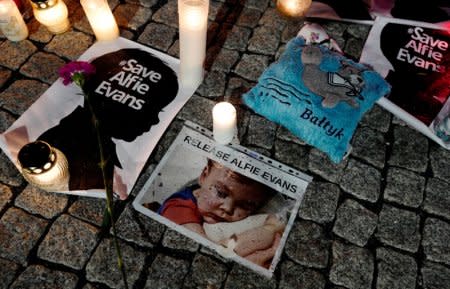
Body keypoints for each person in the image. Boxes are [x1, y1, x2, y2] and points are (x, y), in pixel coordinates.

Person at [38, 48, 179, 196]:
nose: (156, 120)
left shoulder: (92, 140)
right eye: (151, 110)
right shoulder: (67, 148)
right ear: (114, 102)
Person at [158, 159, 286, 268]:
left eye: (244, 206)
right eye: (220, 193)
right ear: (204, 175)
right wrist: (270, 229)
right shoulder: (177, 207)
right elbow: (210, 253)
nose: (228, 208)